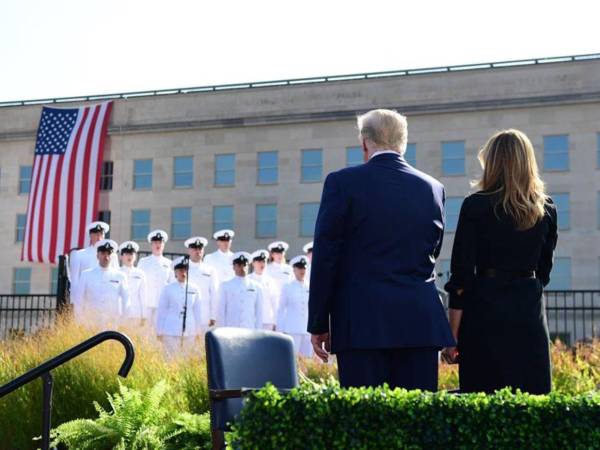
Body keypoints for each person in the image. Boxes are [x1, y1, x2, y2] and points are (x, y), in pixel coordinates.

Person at [308, 109, 455, 390]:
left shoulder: (342, 183)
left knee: (365, 423)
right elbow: (432, 252)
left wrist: (319, 322)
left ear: (364, 143)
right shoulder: (434, 189)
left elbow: (326, 258)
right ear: (404, 143)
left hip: (361, 323)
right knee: (416, 421)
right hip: (419, 323)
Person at [442, 129, 558, 394]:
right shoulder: (547, 208)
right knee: (532, 402)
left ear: (492, 163)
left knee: (483, 401)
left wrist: (451, 337)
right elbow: (544, 272)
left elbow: (460, 277)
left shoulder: (475, 206)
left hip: (483, 313)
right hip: (528, 314)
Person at [72, 239, 129, 328]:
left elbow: (126, 301)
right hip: (91, 324)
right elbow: (79, 300)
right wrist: (80, 322)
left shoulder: (120, 276)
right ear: (97, 256)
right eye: (103, 253)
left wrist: (122, 323)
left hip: (112, 325)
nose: (106, 257)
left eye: (108, 254)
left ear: (112, 256)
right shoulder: (86, 274)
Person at [156, 256, 203, 357]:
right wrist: (159, 330)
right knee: (170, 359)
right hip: (171, 330)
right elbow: (162, 310)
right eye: (180, 270)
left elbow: (197, 311)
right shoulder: (168, 289)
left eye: (185, 270)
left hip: (189, 331)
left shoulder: (195, 289)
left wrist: (198, 331)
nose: (183, 273)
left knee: (186, 359)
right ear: (175, 273)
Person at [217, 252, 264, 329]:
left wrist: (258, 331)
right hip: (231, 329)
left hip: (249, 329)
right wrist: (222, 331)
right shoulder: (225, 286)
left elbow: (259, 313)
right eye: (239, 265)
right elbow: (221, 311)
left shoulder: (257, 287)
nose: (242, 267)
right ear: (234, 267)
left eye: (245, 265)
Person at [137, 230, 174, 326]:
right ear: (151, 245)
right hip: (147, 305)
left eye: (160, 243)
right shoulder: (143, 262)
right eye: (155, 243)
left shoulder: (169, 263)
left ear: (163, 245)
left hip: (162, 306)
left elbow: (171, 286)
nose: (158, 245)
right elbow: (139, 284)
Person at [277, 255, 312, 357]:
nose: (302, 270)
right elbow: (281, 309)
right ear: (294, 269)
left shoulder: (310, 286)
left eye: (304, 268)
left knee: (307, 360)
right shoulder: (287, 287)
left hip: (307, 330)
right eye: (300, 268)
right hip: (292, 329)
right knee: (293, 357)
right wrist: (280, 330)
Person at [184, 236, 219, 332]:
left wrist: (213, 316)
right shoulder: (183, 269)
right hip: (187, 315)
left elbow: (214, 294)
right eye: (195, 248)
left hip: (205, 315)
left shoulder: (210, 270)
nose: (198, 251)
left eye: (200, 248)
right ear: (189, 250)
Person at [69, 221, 118, 290]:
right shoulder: (79, 255)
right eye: (96, 234)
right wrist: (74, 299)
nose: (99, 237)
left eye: (101, 234)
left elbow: (116, 277)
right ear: (90, 235)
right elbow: (74, 281)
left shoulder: (112, 256)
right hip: (86, 297)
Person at [118, 241, 148, 326]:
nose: (129, 256)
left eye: (131, 254)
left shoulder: (140, 274)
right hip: (120, 314)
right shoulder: (116, 273)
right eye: (126, 254)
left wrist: (144, 316)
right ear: (121, 256)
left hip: (135, 314)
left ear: (135, 257)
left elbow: (143, 296)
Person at [248, 249, 280, 330]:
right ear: (253, 263)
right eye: (259, 262)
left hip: (267, 321)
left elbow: (275, 302)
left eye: (264, 261)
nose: (262, 264)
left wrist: (276, 322)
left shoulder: (271, 281)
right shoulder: (248, 280)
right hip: (251, 321)